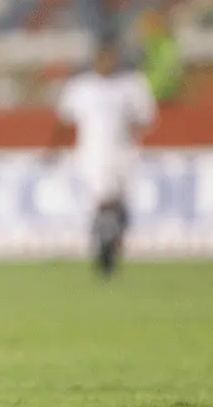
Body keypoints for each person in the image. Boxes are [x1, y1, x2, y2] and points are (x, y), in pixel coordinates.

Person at [49, 41, 157, 278]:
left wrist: (131, 128)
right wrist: (54, 149)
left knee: (120, 206)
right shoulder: (82, 87)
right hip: (93, 155)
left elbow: (146, 119)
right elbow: (65, 121)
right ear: (96, 59)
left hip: (125, 154)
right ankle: (103, 250)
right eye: (103, 58)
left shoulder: (132, 86)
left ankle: (111, 245)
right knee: (102, 202)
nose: (108, 63)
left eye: (111, 57)